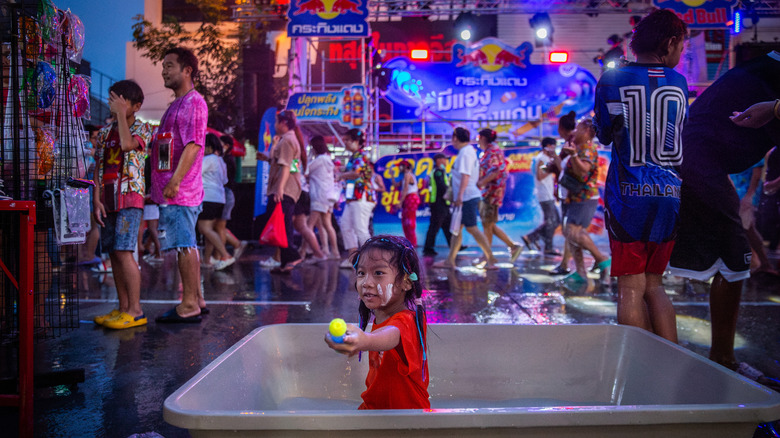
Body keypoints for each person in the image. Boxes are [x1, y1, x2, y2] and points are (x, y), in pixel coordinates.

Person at [668, 45, 779, 377]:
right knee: (734, 259)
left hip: (700, 164)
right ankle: (722, 359)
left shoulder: (763, 69)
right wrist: (774, 109)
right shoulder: (768, 74)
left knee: (730, 259)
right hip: (699, 165)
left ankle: (715, 357)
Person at [594, 8, 687, 343]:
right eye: (682, 48)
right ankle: (671, 362)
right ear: (671, 42)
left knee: (630, 288)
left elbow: (604, 133)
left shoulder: (611, 79)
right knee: (655, 285)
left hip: (628, 196)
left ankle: (640, 371)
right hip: (669, 195)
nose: (681, 53)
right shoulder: (679, 82)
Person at [324, 234, 429, 410]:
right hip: (377, 411)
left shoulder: (407, 321)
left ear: (406, 282)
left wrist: (364, 340)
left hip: (407, 419)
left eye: (378, 273)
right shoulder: (382, 316)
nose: (366, 282)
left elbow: (388, 335)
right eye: (361, 273)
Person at [151, 47, 209, 323]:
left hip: (180, 191)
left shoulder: (193, 102)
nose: (164, 70)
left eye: (170, 65)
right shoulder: (178, 103)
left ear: (187, 70)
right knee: (186, 244)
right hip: (173, 190)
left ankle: (188, 305)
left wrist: (174, 182)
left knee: (184, 244)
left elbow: (194, 145)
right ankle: (196, 299)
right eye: (164, 65)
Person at [91, 80, 153, 329]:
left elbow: (128, 145)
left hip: (129, 197)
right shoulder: (105, 133)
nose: (113, 104)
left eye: (119, 100)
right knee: (114, 254)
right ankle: (122, 307)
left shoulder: (143, 127)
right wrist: (96, 199)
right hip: (108, 198)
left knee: (125, 252)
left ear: (136, 106)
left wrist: (120, 117)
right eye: (111, 99)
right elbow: (97, 168)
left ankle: (135, 310)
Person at [433, 127, 497, 270]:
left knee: (472, 228)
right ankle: (450, 260)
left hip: (467, 197)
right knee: (456, 230)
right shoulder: (467, 152)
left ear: (455, 138)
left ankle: (491, 258)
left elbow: (465, 176)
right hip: (465, 196)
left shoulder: (465, 153)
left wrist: (460, 196)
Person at [560, 118, 611, 290]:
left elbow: (583, 172)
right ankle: (580, 272)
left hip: (584, 197)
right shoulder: (577, 147)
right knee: (570, 234)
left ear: (588, 131)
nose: (575, 131)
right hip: (572, 197)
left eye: (579, 128)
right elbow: (558, 169)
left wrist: (573, 155)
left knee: (575, 232)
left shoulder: (587, 148)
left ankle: (602, 259)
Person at [255, 110, 307, 274]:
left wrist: (280, 189)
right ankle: (285, 263)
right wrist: (273, 147)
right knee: (282, 224)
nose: (275, 125)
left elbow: (285, 166)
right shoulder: (288, 140)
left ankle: (291, 256)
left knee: (282, 224)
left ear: (283, 123)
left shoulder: (288, 140)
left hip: (284, 188)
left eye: (277, 122)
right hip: (288, 188)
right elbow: (281, 162)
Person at [476, 129, 522, 262]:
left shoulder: (492, 151)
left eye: (478, 137)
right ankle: (513, 246)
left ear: (483, 138)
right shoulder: (489, 151)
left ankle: (487, 257)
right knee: (489, 225)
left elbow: (495, 171)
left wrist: (480, 182)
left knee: (487, 226)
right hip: (490, 192)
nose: (477, 140)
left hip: (492, 193)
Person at [338, 129, 375, 268]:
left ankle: (373, 260)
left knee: (361, 228)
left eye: (347, 140)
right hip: (354, 197)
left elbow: (356, 174)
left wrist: (341, 175)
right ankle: (353, 258)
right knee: (346, 226)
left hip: (362, 196)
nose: (345, 142)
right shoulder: (355, 156)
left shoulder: (360, 155)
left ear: (356, 141)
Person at [198, 133, 234, 270]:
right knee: (210, 231)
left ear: (208, 146)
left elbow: (196, 173)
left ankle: (225, 255)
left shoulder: (209, 159)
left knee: (204, 228)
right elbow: (225, 180)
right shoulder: (220, 160)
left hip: (208, 197)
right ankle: (207, 260)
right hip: (219, 198)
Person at [523, 137, 561, 257]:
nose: (554, 149)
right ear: (548, 146)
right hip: (544, 194)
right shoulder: (541, 158)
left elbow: (542, 172)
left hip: (547, 193)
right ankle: (546, 246)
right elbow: (540, 175)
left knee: (555, 221)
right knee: (551, 221)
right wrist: (552, 169)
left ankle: (532, 237)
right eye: (553, 146)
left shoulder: (543, 158)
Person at [307, 135, 340, 259]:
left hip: (318, 196)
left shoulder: (319, 160)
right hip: (328, 196)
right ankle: (332, 251)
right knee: (325, 225)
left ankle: (309, 250)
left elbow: (306, 170)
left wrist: (309, 156)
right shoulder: (327, 160)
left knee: (309, 226)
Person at [217, 134, 247, 261]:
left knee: (219, 227)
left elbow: (224, 180)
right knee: (217, 227)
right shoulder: (226, 159)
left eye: (220, 143)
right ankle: (224, 252)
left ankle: (224, 254)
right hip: (225, 195)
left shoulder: (226, 160)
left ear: (226, 146)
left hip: (225, 195)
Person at [422, 153, 453, 256]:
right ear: (439, 160)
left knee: (447, 226)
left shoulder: (440, 172)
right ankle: (428, 248)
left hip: (443, 203)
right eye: (444, 159)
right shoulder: (438, 172)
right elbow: (442, 187)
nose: (446, 161)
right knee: (435, 226)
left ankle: (455, 245)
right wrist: (450, 195)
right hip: (439, 204)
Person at [395, 160, 421, 247]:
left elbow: (405, 188)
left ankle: (412, 243)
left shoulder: (407, 175)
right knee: (406, 221)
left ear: (406, 167)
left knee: (409, 221)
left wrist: (400, 201)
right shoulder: (406, 176)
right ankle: (410, 242)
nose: (399, 168)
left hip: (410, 198)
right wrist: (392, 175)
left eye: (401, 166)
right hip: (409, 198)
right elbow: (395, 184)